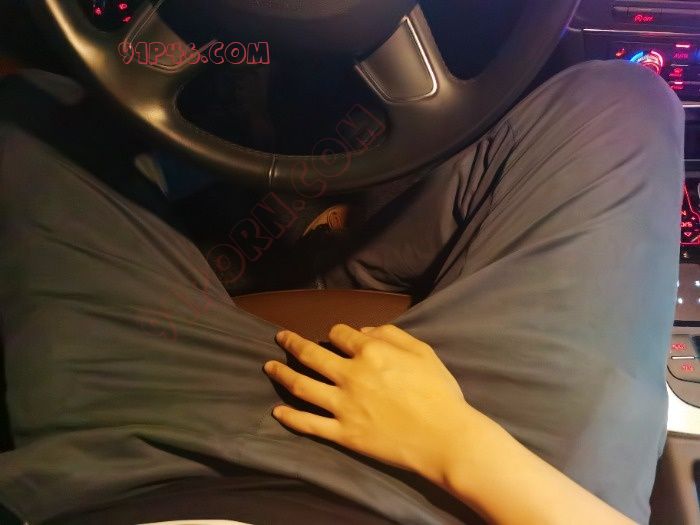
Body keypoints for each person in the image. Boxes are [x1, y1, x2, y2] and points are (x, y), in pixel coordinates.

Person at [0, 57, 685, 525]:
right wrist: (455, 443)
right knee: (621, 104)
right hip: (475, 479)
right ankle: (328, 258)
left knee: (30, 111)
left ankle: (301, 253)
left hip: (134, 469)